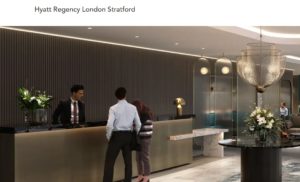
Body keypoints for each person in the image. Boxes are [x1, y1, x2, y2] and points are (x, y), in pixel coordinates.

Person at [103, 87, 141, 182]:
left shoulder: (113, 108)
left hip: (116, 136)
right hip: (128, 136)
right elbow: (139, 124)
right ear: (125, 95)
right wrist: (135, 133)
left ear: (116, 96)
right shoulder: (133, 108)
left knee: (109, 163)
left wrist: (109, 137)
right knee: (128, 163)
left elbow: (109, 125)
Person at [132, 100, 153, 182]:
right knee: (138, 158)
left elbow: (138, 126)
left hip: (145, 139)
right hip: (140, 138)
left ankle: (147, 176)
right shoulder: (142, 114)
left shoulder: (145, 115)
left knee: (145, 157)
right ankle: (140, 176)